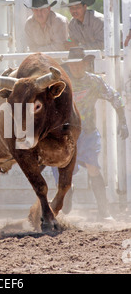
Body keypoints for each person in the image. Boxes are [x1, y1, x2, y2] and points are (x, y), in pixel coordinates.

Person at [53, 47, 129, 220]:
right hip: (66, 135)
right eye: (72, 65)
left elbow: (115, 97)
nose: (76, 68)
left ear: (85, 64)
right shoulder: (62, 84)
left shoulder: (94, 82)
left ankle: (104, 211)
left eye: (79, 64)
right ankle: (66, 194)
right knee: (63, 172)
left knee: (93, 168)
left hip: (87, 133)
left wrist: (123, 121)